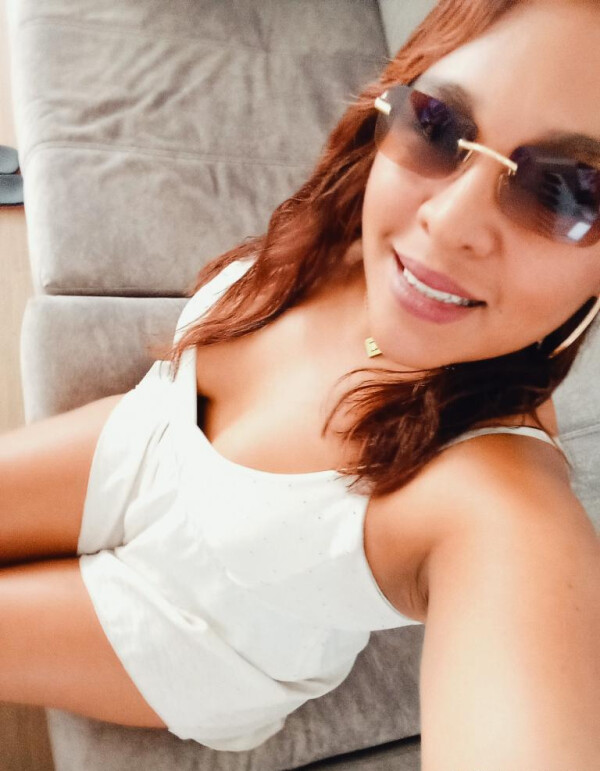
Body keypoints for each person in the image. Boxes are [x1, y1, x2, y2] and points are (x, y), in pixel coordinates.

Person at [1, 0, 599, 767]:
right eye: (441, 126)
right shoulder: (355, 215)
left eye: (564, 194)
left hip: (192, 629)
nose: (450, 222)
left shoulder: (497, 504)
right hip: (150, 435)